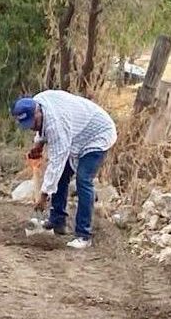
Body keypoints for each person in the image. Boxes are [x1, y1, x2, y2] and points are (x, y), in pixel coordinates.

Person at [11, 91, 117, 249]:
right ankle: (57, 222)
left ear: (38, 111)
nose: (32, 127)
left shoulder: (56, 124)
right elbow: (43, 130)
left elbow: (56, 162)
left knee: (83, 180)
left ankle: (84, 235)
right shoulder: (38, 103)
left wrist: (44, 195)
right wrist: (38, 144)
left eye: (33, 122)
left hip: (97, 134)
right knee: (61, 176)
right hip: (75, 134)